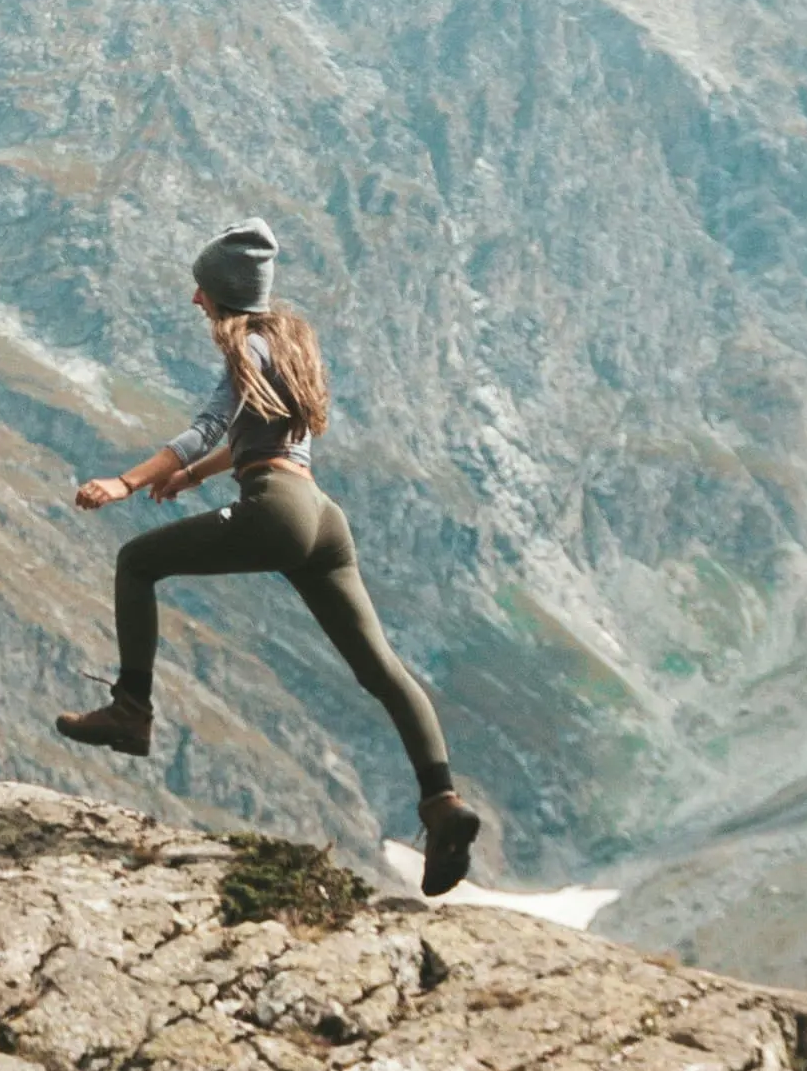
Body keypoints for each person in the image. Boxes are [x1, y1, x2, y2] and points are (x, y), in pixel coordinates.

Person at [57, 225, 494, 898]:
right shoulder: (289, 342)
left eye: (202, 286)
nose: (194, 298)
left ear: (223, 293)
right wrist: (197, 478)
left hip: (274, 507)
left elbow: (209, 423)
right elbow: (249, 433)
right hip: (322, 517)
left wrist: (127, 480)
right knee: (384, 672)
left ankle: (130, 710)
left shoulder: (239, 346)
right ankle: (442, 805)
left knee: (136, 562)